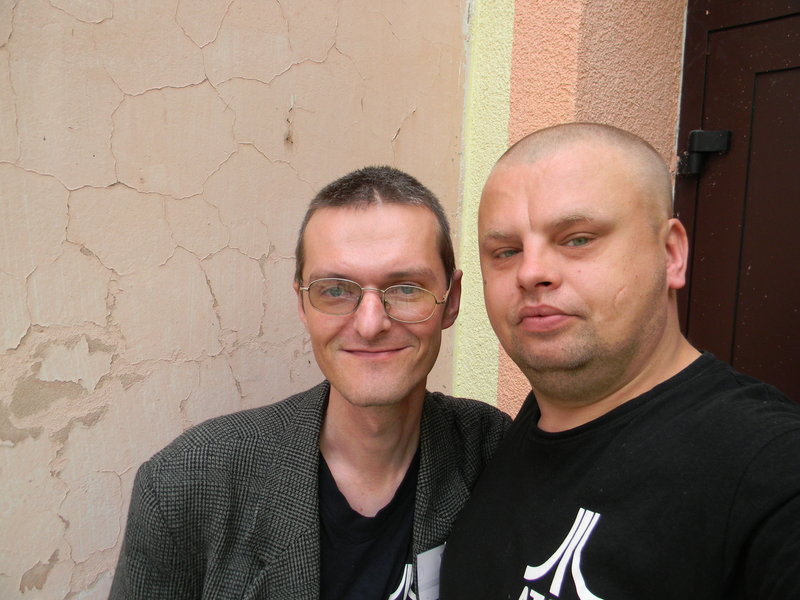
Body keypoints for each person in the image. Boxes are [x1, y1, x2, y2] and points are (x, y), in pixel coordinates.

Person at [110, 166, 510, 600]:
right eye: (335, 290)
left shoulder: (494, 453)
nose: (370, 324)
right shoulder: (184, 485)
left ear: (451, 301)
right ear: (302, 303)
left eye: (406, 288)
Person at [439, 123, 800, 599]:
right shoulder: (498, 444)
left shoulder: (770, 469)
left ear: (671, 254)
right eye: (506, 252)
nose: (531, 272)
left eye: (577, 239)